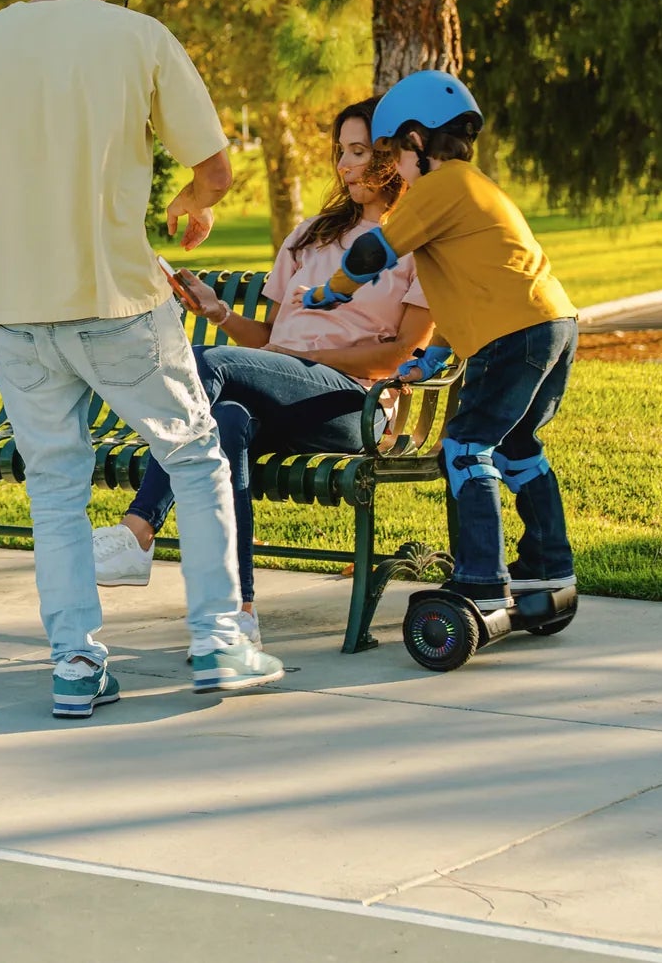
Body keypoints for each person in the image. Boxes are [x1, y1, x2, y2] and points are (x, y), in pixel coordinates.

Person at [0, 0, 286, 718]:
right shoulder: (140, 38)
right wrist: (192, 203)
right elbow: (214, 170)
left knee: (55, 490)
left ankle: (76, 665)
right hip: (120, 300)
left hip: (19, 312)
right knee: (194, 460)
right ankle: (221, 642)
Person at [93, 98, 436, 651]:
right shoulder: (310, 236)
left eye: (359, 152)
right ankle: (238, 615)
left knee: (205, 364)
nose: (345, 166)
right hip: (283, 391)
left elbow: (396, 357)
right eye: (340, 153)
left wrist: (305, 362)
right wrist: (220, 313)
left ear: (393, 156)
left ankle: (138, 529)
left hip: (355, 408)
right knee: (224, 420)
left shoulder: (420, 243)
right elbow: (270, 342)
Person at [299, 70, 577, 613]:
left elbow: (371, 253)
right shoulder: (478, 189)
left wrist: (329, 294)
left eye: (399, 154)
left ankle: (480, 581)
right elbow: (472, 286)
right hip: (551, 324)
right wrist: (433, 356)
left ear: (418, 141)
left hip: (515, 333)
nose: (397, 168)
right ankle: (547, 568)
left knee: (465, 447)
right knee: (519, 450)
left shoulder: (441, 185)